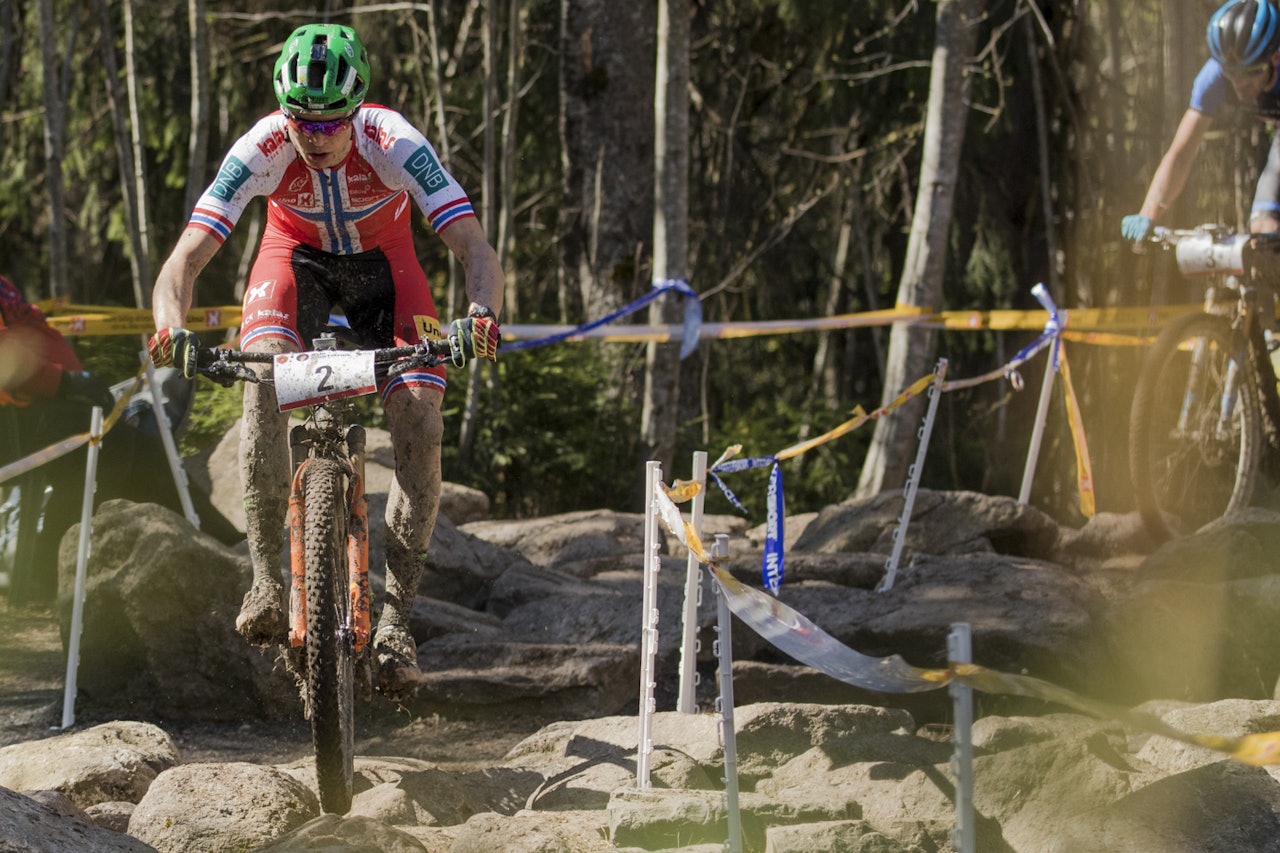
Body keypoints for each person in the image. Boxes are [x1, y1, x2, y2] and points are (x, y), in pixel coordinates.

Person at [147, 23, 503, 697]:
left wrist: (479, 313)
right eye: (301, 121)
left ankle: (396, 617)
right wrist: (170, 328)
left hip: (385, 272)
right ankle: (266, 581)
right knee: (260, 382)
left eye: (329, 122)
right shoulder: (265, 147)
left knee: (422, 426)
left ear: (357, 107)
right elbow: (184, 260)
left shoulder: (393, 141)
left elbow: (474, 248)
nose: (314, 138)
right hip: (295, 263)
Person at [1122, 0, 1280, 245]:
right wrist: (1149, 212)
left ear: (1275, 57)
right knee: (1264, 237)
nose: (1239, 84)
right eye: (1231, 74)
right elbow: (1181, 153)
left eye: (1249, 73)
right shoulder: (1214, 77)